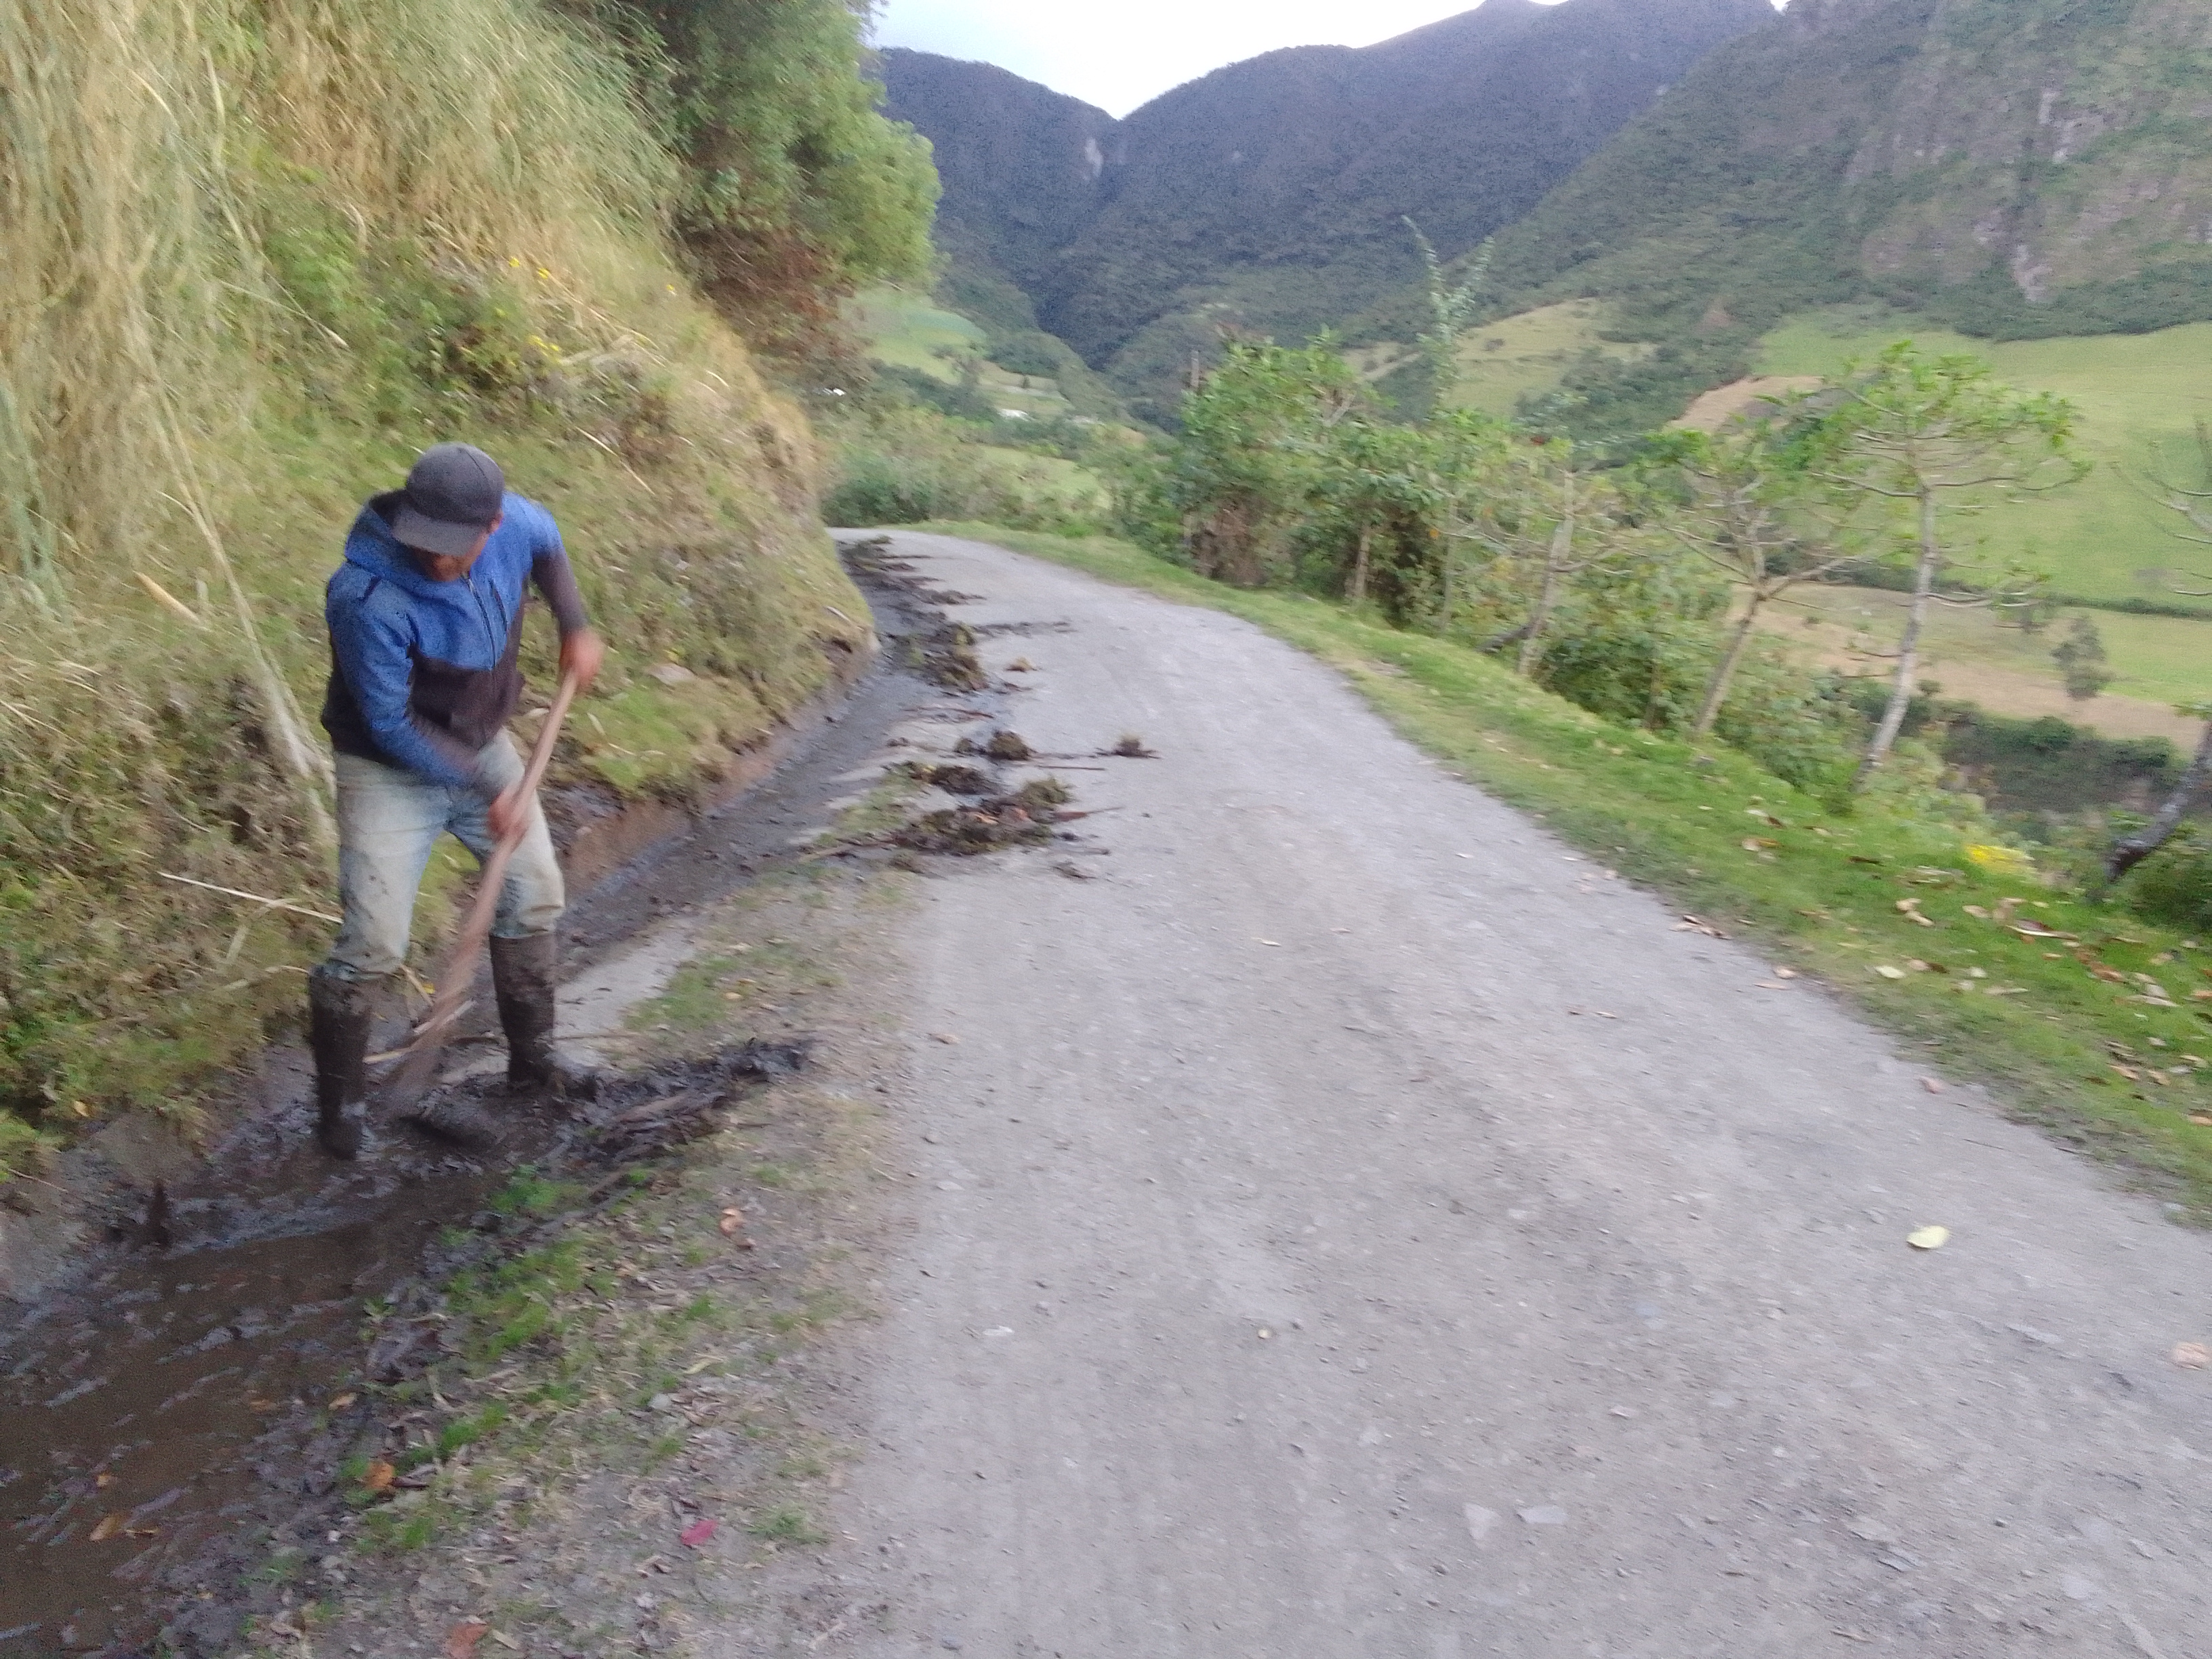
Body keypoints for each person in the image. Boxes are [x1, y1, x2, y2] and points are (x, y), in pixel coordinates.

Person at [307, 443, 605, 1158]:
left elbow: (549, 543)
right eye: (426, 543)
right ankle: (343, 1116)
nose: (437, 560)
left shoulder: (518, 523)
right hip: (387, 768)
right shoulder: (364, 596)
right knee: (375, 941)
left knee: (534, 893)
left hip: (480, 740)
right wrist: (491, 788)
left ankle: (534, 1065)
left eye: (454, 547)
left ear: (492, 526)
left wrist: (574, 624)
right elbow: (388, 723)